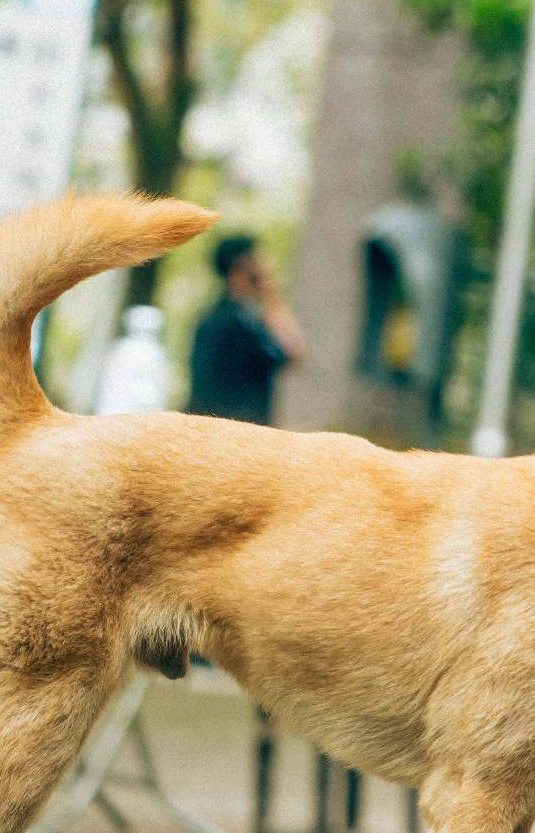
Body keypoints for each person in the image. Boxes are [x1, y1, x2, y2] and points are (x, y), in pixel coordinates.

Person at [185, 233, 308, 833]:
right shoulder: (244, 322)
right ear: (244, 269)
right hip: (241, 460)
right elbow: (295, 349)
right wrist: (275, 298)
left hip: (209, 453)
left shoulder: (208, 321)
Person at [186, 235, 306, 426]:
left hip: (218, 432)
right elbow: (293, 351)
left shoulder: (213, 318)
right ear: (242, 269)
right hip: (235, 434)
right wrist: (271, 297)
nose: (266, 270)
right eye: (259, 263)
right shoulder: (240, 324)